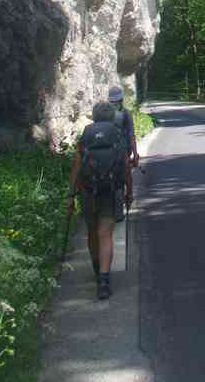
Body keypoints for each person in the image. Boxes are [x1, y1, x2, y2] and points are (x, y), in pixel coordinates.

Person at [67, 101, 132, 300]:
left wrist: (70, 195)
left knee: (92, 232)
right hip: (110, 191)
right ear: (112, 117)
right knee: (106, 234)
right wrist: (130, 191)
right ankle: (104, 281)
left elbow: (77, 164)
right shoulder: (116, 133)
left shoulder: (86, 134)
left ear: (94, 117)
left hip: (88, 190)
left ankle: (97, 269)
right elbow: (125, 164)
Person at [108, 85, 139, 168]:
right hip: (123, 150)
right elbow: (131, 135)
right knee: (126, 178)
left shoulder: (103, 112)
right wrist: (135, 155)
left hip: (106, 149)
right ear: (121, 99)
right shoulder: (126, 113)